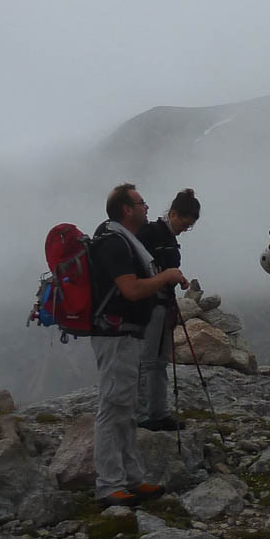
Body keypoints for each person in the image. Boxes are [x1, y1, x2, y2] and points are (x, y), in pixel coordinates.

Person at [88, 183, 189, 507]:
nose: (147, 207)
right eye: (141, 203)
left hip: (127, 334)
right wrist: (167, 276)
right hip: (115, 335)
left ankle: (132, 479)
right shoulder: (114, 242)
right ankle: (109, 485)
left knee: (127, 407)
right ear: (126, 210)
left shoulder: (124, 240)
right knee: (113, 407)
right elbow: (130, 290)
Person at [133, 188, 201, 432]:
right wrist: (168, 277)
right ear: (172, 213)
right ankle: (142, 415)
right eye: (184, 222)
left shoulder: (167, 236)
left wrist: (177, 278)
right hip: (150, 304)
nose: (185, 228)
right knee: (147, 360)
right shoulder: (150, 233)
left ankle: (158, 413)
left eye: (189, 225)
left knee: (160, 360)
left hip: (163, 303)